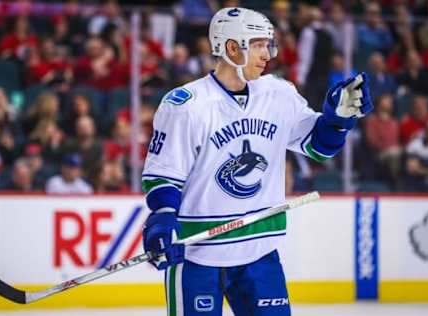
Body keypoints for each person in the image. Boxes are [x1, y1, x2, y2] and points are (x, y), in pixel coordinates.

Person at [141, 7, 373, 316]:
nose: (268, 54)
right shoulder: (186, 106)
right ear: (232, 48)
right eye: (259, 45)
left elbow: (318, 147)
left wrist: (338, 121)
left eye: (269, 45)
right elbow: (163, 175)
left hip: (260, 252)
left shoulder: (279, 94)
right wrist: (163, 219)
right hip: (197, 256)